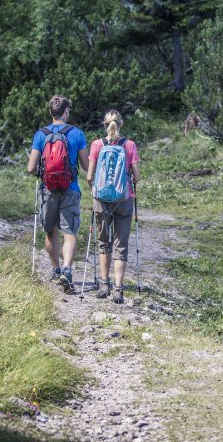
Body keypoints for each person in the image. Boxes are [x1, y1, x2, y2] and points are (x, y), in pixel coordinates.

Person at [27, 95, 89, 293]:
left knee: (50, 230)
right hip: (70, 189)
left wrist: (43, 174)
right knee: (70, 232)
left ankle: (55, 269)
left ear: (50, 112)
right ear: (66, 112)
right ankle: (67, 270)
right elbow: (87, 166)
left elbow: (30, 168)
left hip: (48, 189)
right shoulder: (77, 134)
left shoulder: (41, 134)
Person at [86, 110, 140, 304]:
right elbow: (137, 176)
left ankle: (103, 285)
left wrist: (96, 192)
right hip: (124, 200)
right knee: (121, 244)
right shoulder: (129, 145)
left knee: (103, 242)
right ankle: (118, 289)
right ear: (121, 124)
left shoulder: (97, 145)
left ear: (104, 124)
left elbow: (90, 176)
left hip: (101, 200)